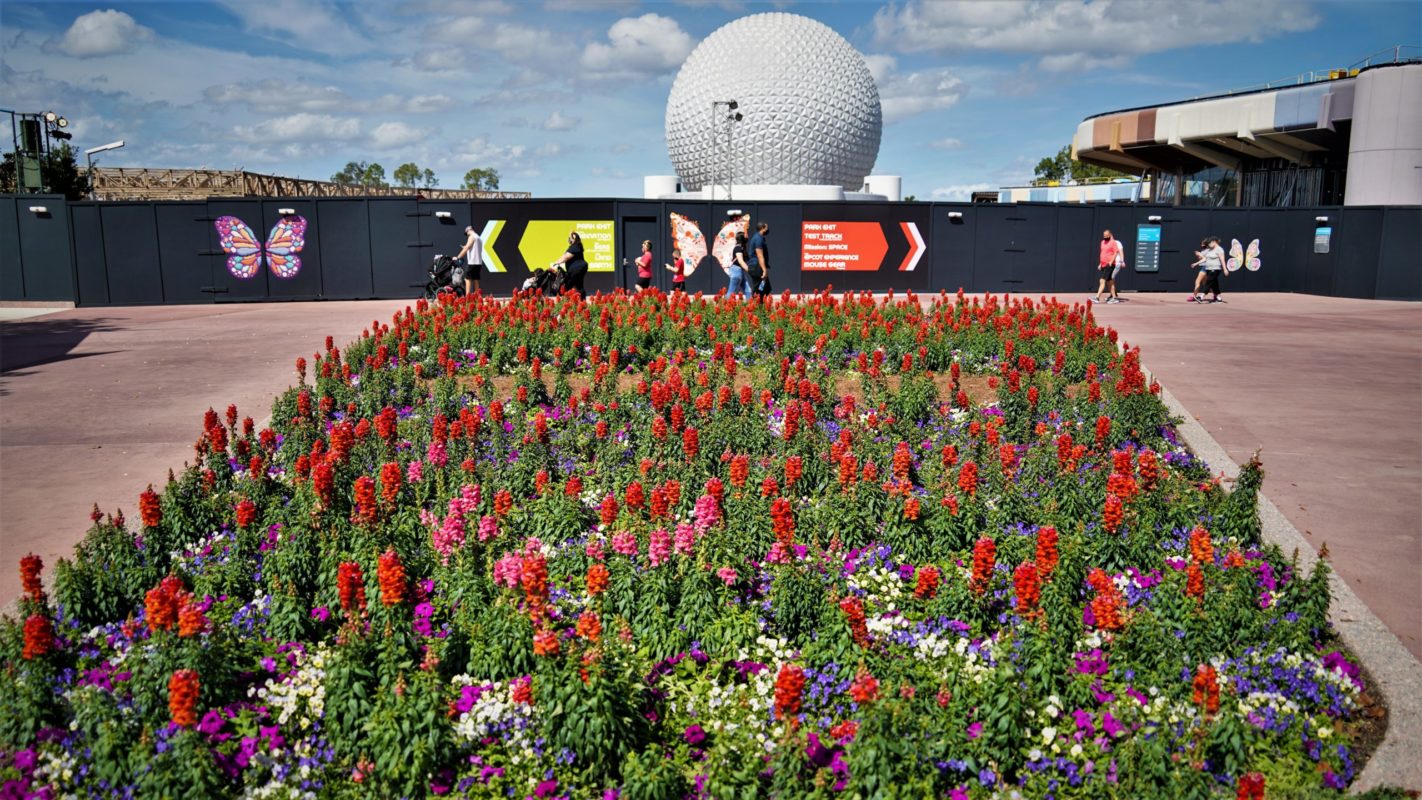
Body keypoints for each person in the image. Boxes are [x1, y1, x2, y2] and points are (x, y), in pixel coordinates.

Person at [551, 231, 588, 298]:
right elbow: (564, 256)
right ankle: (582, 300)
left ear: (575, 239)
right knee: (578, 285)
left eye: (571, 238)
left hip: (577, 269)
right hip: (576, 269)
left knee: (569, 284)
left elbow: (566, 257)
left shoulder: (576, 246)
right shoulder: (573, 247)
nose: (569, 239)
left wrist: (556, 263)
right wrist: (556, 262)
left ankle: (573, 301)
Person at [1094, 229, 1124, 304]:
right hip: (1103, 264)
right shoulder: (1102, 242)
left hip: (1109, 265)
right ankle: (1114, 298)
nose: (1105, 237)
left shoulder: (1113, 243)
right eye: (1104, 235)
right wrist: (1100, 264)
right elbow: (1103, 253)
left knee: (1102, 280)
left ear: (1110, 235)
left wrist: (1112, 261)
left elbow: (1116, 252)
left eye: (1107, 235)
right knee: (1110, 282)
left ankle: (1097, 297)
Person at [455, 225, 482, 296]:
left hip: (472, 262)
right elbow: (472, 247)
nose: (466, 235)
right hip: (478, 262)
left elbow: (467, 248)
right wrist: (466, 246)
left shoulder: (471, 237)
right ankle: (477, 297)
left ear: (468, 230)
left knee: (467, 279)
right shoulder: (478, 237)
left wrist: (458, 257)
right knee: (476, 280)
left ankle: (468, 298)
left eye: (466, 233)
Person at [1198, 236, 1227, 303]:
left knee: (1208, 282)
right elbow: (1205, 258)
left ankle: (1201, 296)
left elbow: (1222, 260)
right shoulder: (1210, 249)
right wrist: (1196, 264)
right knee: (1214, 284)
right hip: (1208, 269)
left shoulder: (1219, 249)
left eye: (1209, 243)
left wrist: (1225, 269)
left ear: (1214, 242)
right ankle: (1219, 298)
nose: (1209, 245)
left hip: (1215, 269)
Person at [748, 222, 771, 299]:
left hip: (758, 267)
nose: (767, 229)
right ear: (762, 228)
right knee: (759, 290)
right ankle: (754, 307)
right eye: (766, 227)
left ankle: (759, 305)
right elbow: (760, 255)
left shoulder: (759, 238)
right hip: (757, 267)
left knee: (765, 288)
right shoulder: (758, 239)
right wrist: (764, 270)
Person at [727, 232, 752, 299]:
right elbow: (741, 262)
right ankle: (723, 307)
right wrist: (750, 271)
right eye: (746, 237)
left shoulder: (741, 248)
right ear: (742, 239)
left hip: (740, 271)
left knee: (748, 290)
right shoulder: (738, 248)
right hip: (736, 271)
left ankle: (750, 307)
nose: (747, 238)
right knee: (731, 292)